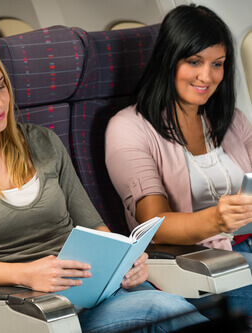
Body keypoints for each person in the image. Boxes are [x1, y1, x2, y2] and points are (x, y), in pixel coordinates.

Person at [0, 37, 207, 332]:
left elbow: (93, 225)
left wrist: (124, 263)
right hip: (39, 308)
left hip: (95, 288)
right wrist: (27, 274)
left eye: (1, 86)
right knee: (164, 311)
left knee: (171, 307)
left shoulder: (42, 141)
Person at [105, 4, 252, 322]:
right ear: (169, 61)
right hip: (198, 265)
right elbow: (152, 226)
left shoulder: (232, 121)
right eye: (194, 62)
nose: (207, 76)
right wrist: (216, 220)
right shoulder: (129, 128)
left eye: (218, 64)